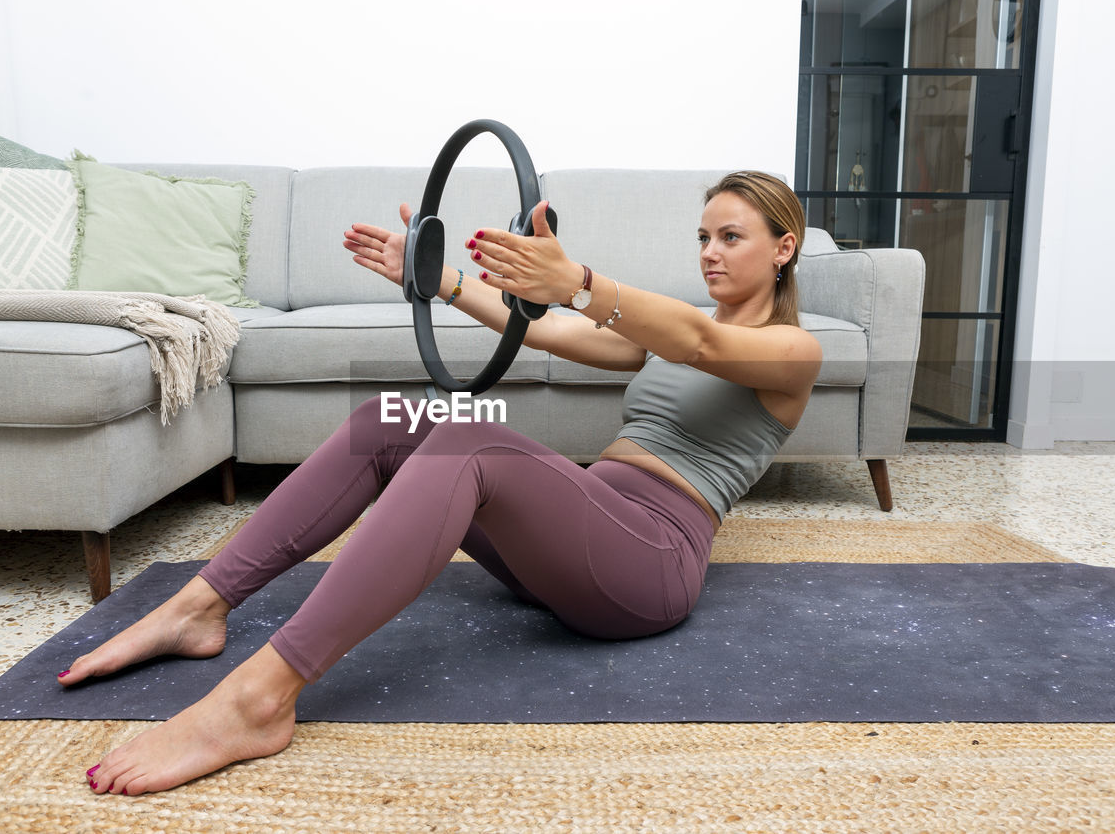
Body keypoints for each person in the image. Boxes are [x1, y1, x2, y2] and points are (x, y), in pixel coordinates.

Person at [62, 171, 822, 796]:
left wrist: (582, 280)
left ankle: (259, 699)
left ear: (784, 248)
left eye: (731, 237)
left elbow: (698, 341)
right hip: (582, 534)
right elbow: (550, 330)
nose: (710, 254)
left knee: (469, 438)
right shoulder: (670, 326)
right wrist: (439, 278)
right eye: (702, 237)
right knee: (391, 420)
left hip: (649, 562)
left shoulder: (793, 351)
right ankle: (199, 606)